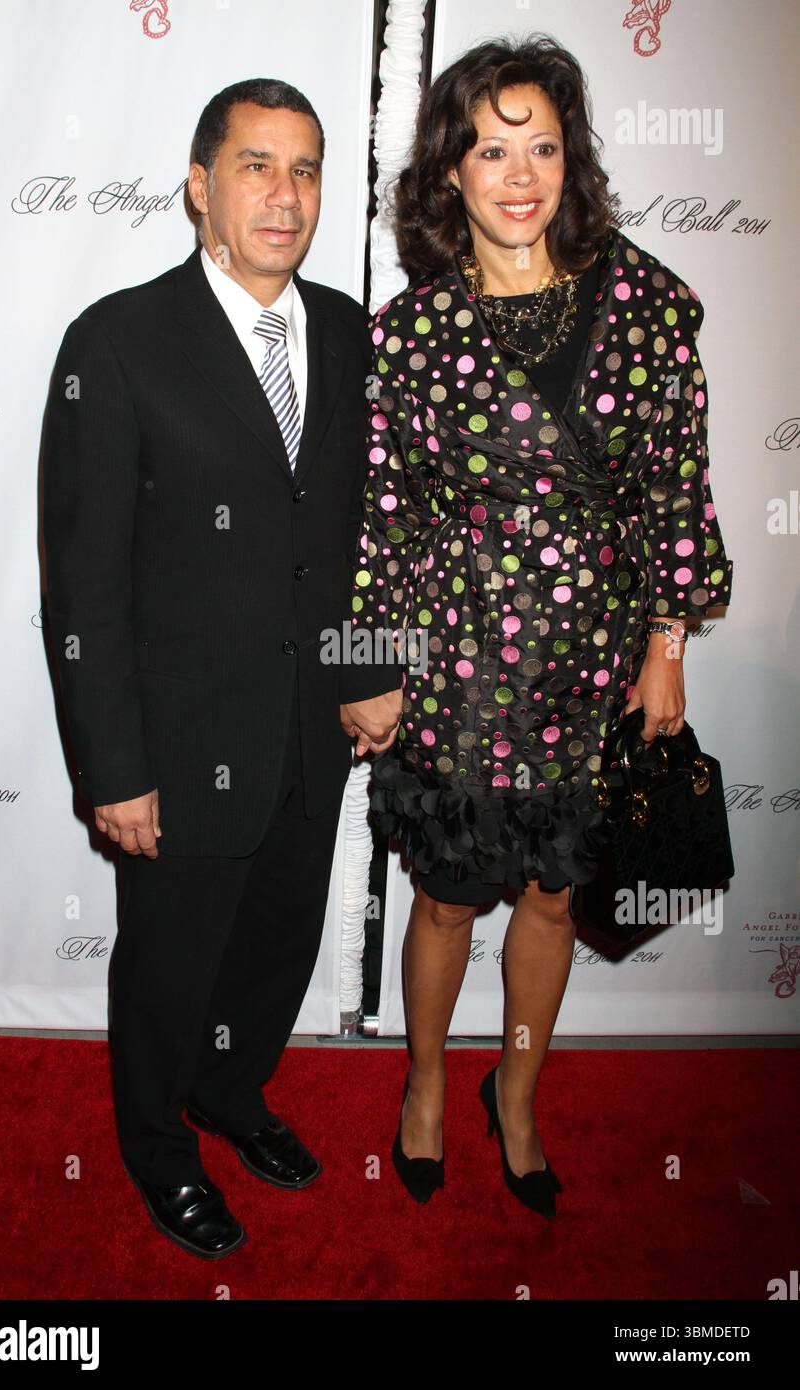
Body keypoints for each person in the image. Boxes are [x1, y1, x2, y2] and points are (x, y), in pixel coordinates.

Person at [340, 35, 733, 1219]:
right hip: (457, 673)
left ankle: (515, 1093)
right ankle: (421, 1085)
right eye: (489, 149)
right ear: (447, 174)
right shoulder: (410, 336)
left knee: (553, 902)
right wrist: (371, 666)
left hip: (589, 672)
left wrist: (666, 650)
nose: (520, 175)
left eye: (543, 147)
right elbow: (385, 516)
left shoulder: (645, 302)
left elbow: (678, 487)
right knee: (448, 900)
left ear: (574, 161)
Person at [42, 78, 386, 1259]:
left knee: (280, 943)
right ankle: (156, 1144)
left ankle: (230, 1097)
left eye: (303, 170)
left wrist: (371, 667)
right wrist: (115, 767)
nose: (283, 196)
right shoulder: (118, 342)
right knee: (169, 967)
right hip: (181, 745)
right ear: (200, 186)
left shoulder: (350, 332)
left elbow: (370, 530)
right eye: (255, 166)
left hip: (311, 732)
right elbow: (84, 586)